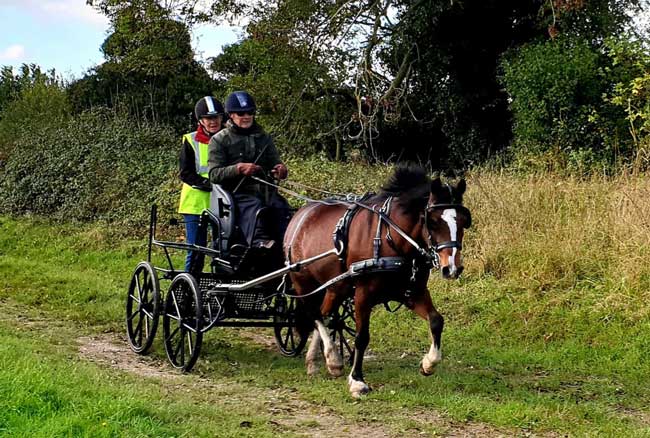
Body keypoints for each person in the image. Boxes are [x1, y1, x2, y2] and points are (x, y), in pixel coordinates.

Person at [207, 90, 290, 250]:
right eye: (240, 113)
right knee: (254, 205)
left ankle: (286, 242)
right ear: (231, 115)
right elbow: (214, 174)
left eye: (250, 112)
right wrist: (238, 169)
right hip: (235, 194)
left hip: (265, 191)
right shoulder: (219, 140)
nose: (246, 116)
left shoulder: (264, 138)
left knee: (281, 206)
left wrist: (280, 169)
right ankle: (258, 241)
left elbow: (275, 162)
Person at [178, 95, 225, 272]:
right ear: (201, 120)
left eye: (217, 117)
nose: (213, 122)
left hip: (221, 203)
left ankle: (220, 289)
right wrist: (208, 184)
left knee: (222, 250)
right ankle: (188, 291)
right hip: (195, 204)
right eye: (209, 118)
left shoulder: (228, 139)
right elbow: (186, 173)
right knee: (196, 250)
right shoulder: (191, 140)